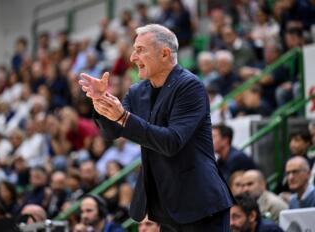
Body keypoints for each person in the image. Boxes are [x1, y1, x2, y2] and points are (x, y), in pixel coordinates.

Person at [79, 24, 233, 231]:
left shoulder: (189, 86)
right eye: (134, 50)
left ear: (164, 53)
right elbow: (112, 132)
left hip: (200, 203)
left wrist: (123, 117)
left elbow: (171, 142)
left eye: (140, 50)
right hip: (164, 206)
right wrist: (101, 102)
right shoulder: (137, 91)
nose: (133, 57)